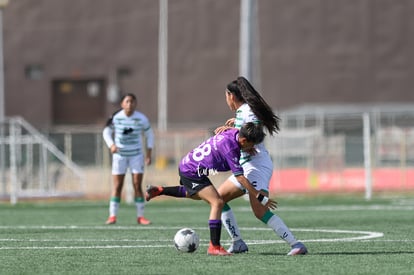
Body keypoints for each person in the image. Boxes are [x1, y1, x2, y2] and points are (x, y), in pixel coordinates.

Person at [145, 122, 277, 256]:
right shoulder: (231, 149)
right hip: (192, 171)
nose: (253, 147)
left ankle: (160, 190)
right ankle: (214, 246)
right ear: (243, 140)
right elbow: (240, 178)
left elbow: (232, 134)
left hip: (189, 165)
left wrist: (246, 146)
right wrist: (259, 196)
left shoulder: (233, 133)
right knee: (218, 202)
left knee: (197, 195)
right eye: (252, 144)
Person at [214, 76, 308, 255]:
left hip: (256, 167)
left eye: (225, 96)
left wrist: (232, 131)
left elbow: (253, 133)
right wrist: (235, 127)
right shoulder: (243, 112)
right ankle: (238, 242)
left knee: (260, 211)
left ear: (230, 95)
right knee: (218, 199)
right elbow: (248, 129)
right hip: (247, 166)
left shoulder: (246, 111)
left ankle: (296, 244)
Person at [103, 93, 154, 225]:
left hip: (136, 155)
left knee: (137, 185)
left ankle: (140, 216)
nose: (130, 104)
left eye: (132, 102)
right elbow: (106, 132)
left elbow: (149, 135)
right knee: (117, 186)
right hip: (119, 156)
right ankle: (112, 216)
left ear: (135, 104)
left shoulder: (141, 118)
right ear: (122, 104)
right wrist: (111, 145)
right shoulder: (116, 117)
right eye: (127, 102)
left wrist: (148, 154)